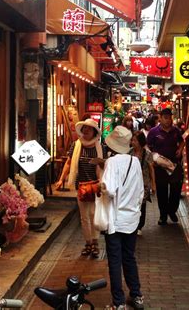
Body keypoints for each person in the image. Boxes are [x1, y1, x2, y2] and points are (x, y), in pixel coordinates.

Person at [101, 126, 144, 310]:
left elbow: (109, 190)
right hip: (132, 219)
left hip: (115, 218)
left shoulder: (111, 162)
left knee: (115, 260)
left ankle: (118, 302)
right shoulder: (135, 162)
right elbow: (141, 191)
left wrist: (100, 187)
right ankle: (136, 295)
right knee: (129, 257)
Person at [55, 119, 103, 258]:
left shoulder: (99, 147)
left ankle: (95, 243)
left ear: (94, 131)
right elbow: (69, 163)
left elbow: (103, 166)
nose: (86, 130)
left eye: (89, 128)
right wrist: (61, 179)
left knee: (94, 214)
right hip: (81, 185)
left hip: (95, 184)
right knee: (84, 217)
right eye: (85, 128)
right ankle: (88, 243)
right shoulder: (76, 145)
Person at [146, 108, 185, 225]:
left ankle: (172, 211)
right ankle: (163, 215)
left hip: (174, 165)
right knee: (162, 192)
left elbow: (182, 141)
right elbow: (148, 147)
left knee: (176, 190)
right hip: (160, 167)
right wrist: (153, 158)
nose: (168, 120)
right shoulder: (153, 132)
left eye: (170, 118)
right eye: (166, 118)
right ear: (160, 118)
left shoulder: (176, 130)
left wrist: (180, 148)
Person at [130, 131, 156, 236]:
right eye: (132, 140)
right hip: (132, 183)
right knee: (133, 205)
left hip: (144, 183)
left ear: (140, 141)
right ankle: (133, 224)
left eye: (135, 140)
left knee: (142, 205)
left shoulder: (147, 154)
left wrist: (153, 184)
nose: (132, 142)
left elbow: (151, 169)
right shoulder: (129, 153)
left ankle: (140, 226)